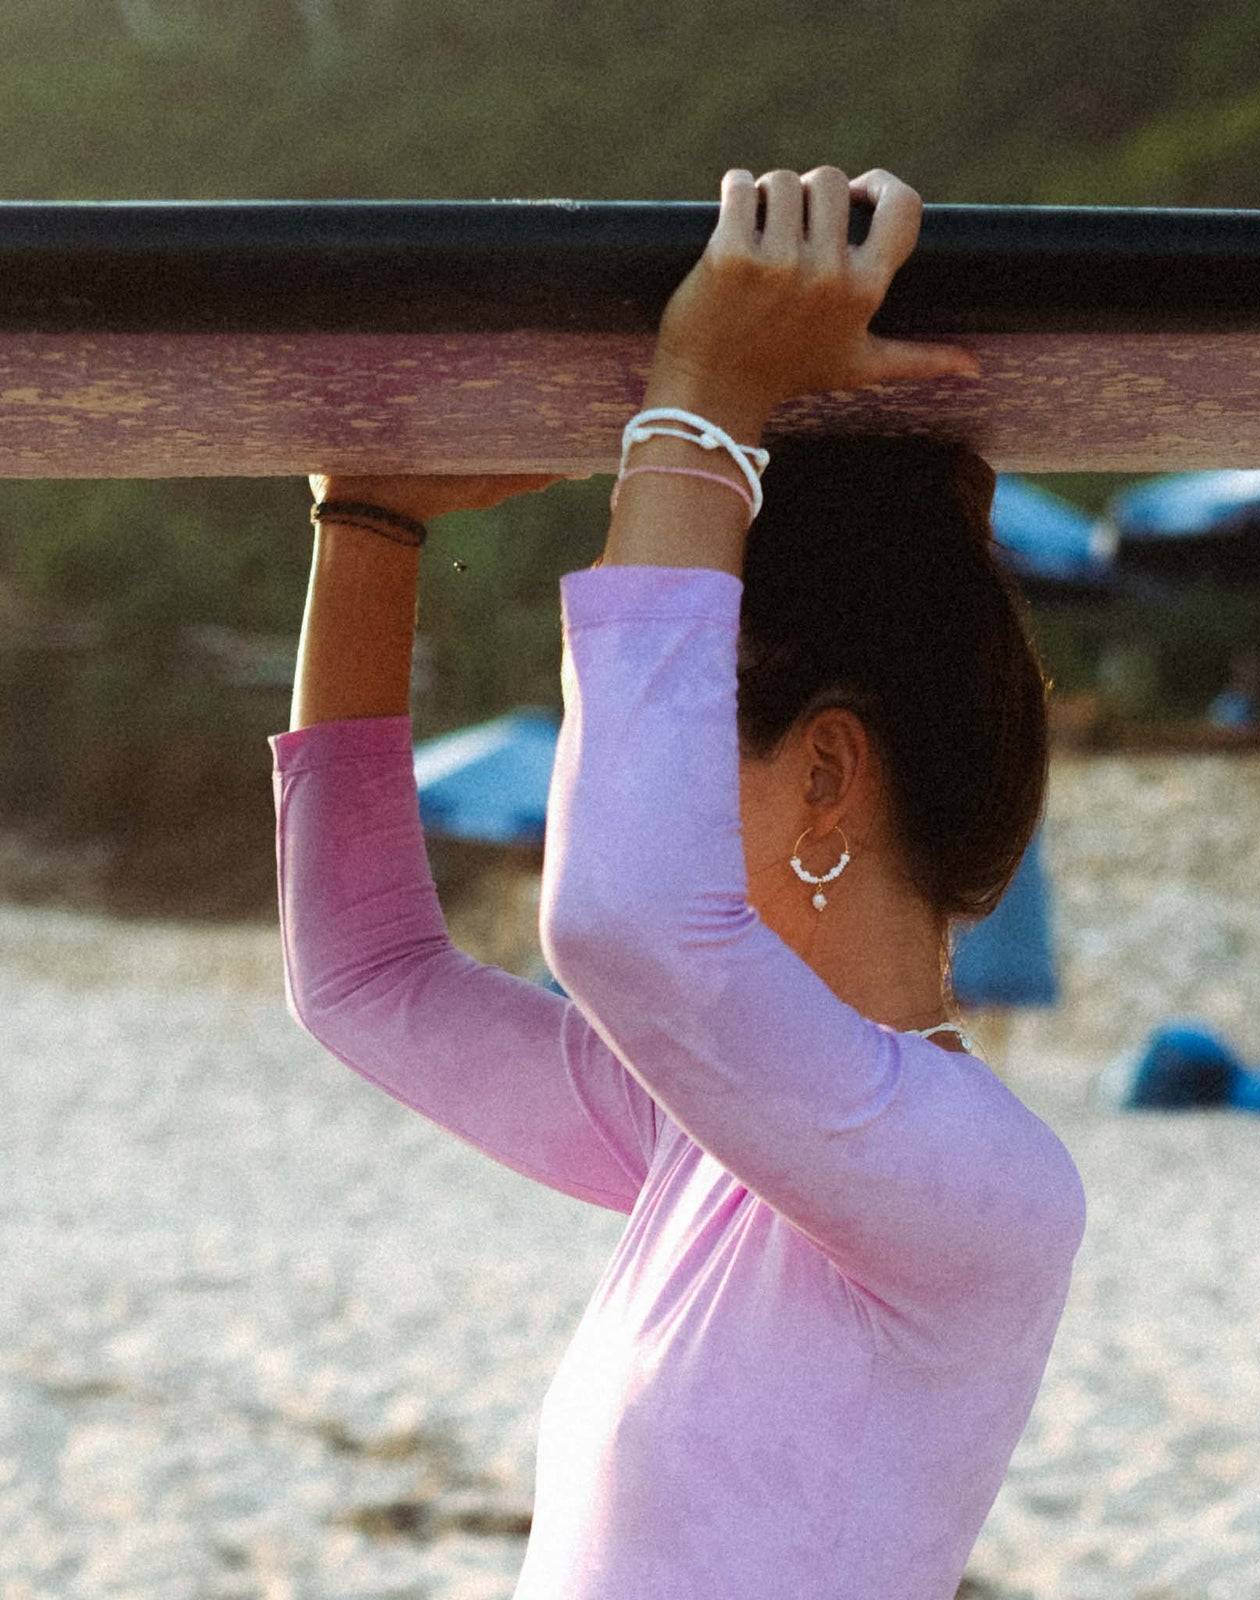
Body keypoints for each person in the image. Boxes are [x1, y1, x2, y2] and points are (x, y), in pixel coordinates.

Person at [271, 165, 1086, 1600]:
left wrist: (704, 405)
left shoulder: (978, 1186)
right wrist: (370, 526)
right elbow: (364, 979)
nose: (606, 784)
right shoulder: (704, 1137)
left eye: (643, 729)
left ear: (826, 776)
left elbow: (624, 918)